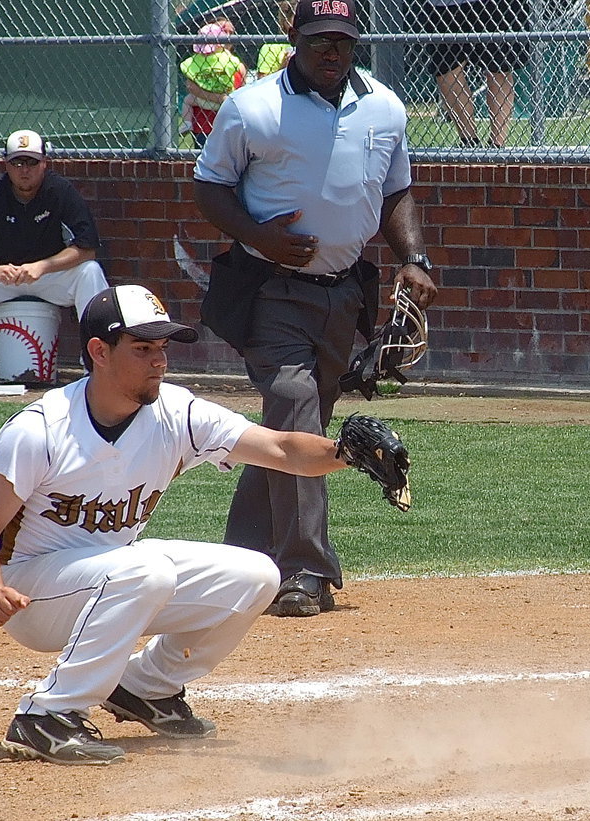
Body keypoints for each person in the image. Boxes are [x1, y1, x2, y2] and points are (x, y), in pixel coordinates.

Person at [0, 284, 399, 765]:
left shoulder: (175, 412)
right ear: (99, 352)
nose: (159, 361)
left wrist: (344, 453)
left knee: (257, 576)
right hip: (34, 593)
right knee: (145, 571)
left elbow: (278, 448)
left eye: (163, 348)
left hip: (111, 578)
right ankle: (45, 715)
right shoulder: (41, 429)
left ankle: (145, 688)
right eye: (143, 348)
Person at [193, 0, 438, 617]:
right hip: (271, 287)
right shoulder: (252, 107)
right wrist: (259, 236)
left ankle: (239, 560)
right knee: (297, 412)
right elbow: (210, 186)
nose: (333, 52)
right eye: (321, 40)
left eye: (344, 41)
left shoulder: (384, 106)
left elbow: (396, 189)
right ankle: (306, 570)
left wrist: (415, 257)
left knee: (286, 438)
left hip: (344, 293)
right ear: (292, 35)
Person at [0, 129, 108, 391]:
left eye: (32, 162)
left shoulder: (59, 190)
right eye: (17, 162)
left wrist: (43, 266)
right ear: (6, 164)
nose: (24, 170)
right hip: (1, 276)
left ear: (44, 163)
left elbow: (87, 247)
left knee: (90, 272)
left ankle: (94, 367)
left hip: (47, 276)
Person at [422, 0, 530, 148]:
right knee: (445, 71)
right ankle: (469, 142)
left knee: (498, 69)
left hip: (496, 5)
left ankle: (497, 145)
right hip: (444, 5)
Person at [180, 20, 248, 148]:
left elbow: (241, 94)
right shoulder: (199, 62)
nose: (227, 35)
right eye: (223, 30)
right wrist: (220, 98)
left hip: (229, 126)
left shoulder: (235, 64)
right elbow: (191, 87)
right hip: (204, 127)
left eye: (230, 32)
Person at [256, 1, 295, 78]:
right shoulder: (271, 47)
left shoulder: (309, 44)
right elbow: (262, 81)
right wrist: (283, 68)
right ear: (285, 21)